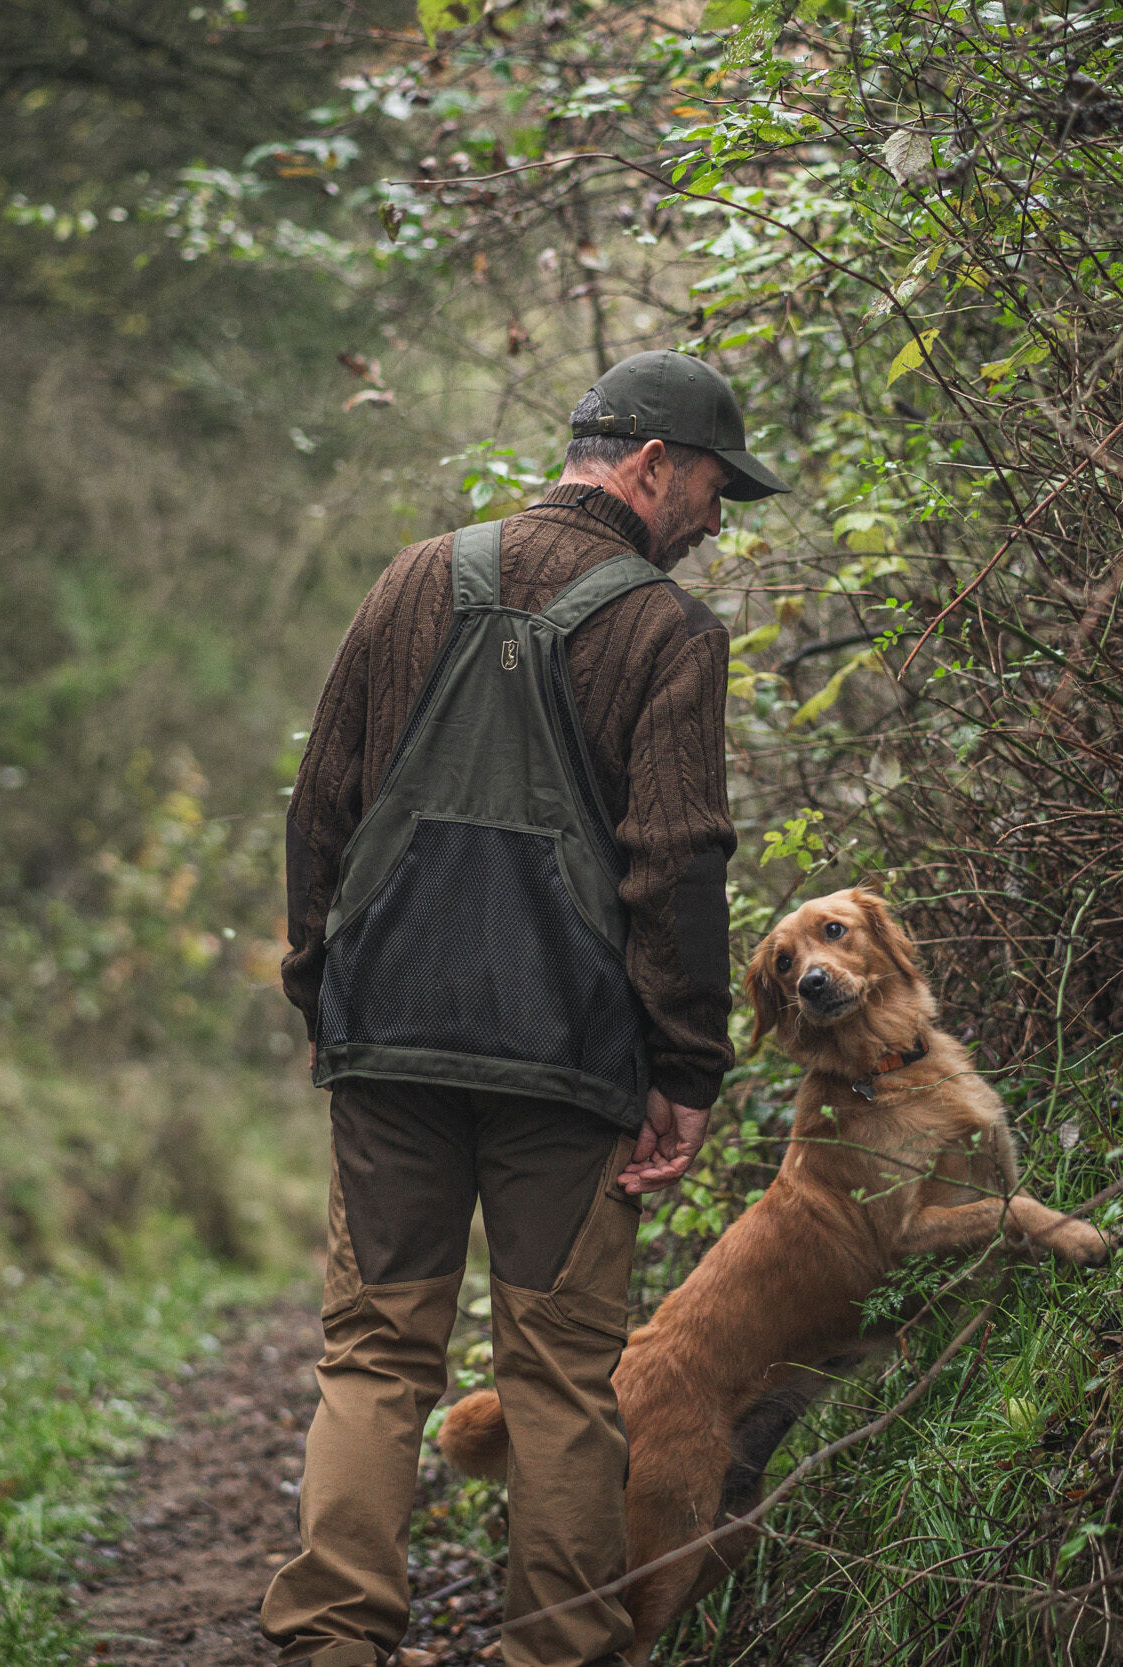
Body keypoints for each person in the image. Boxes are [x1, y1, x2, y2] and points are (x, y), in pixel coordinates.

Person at [263, 350, 789, 1667]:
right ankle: (555, 1651)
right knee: (561, 1381)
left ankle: (331, 1639)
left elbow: (320, 806)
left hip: (391, 1044)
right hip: (567, 1069)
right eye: (717, 488)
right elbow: (676, 862)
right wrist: (687, 1067)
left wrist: (325, 992)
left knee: (376, 1358)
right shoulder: (666, 633)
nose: (718, 520)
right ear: (654, 467)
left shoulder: (413, 579)